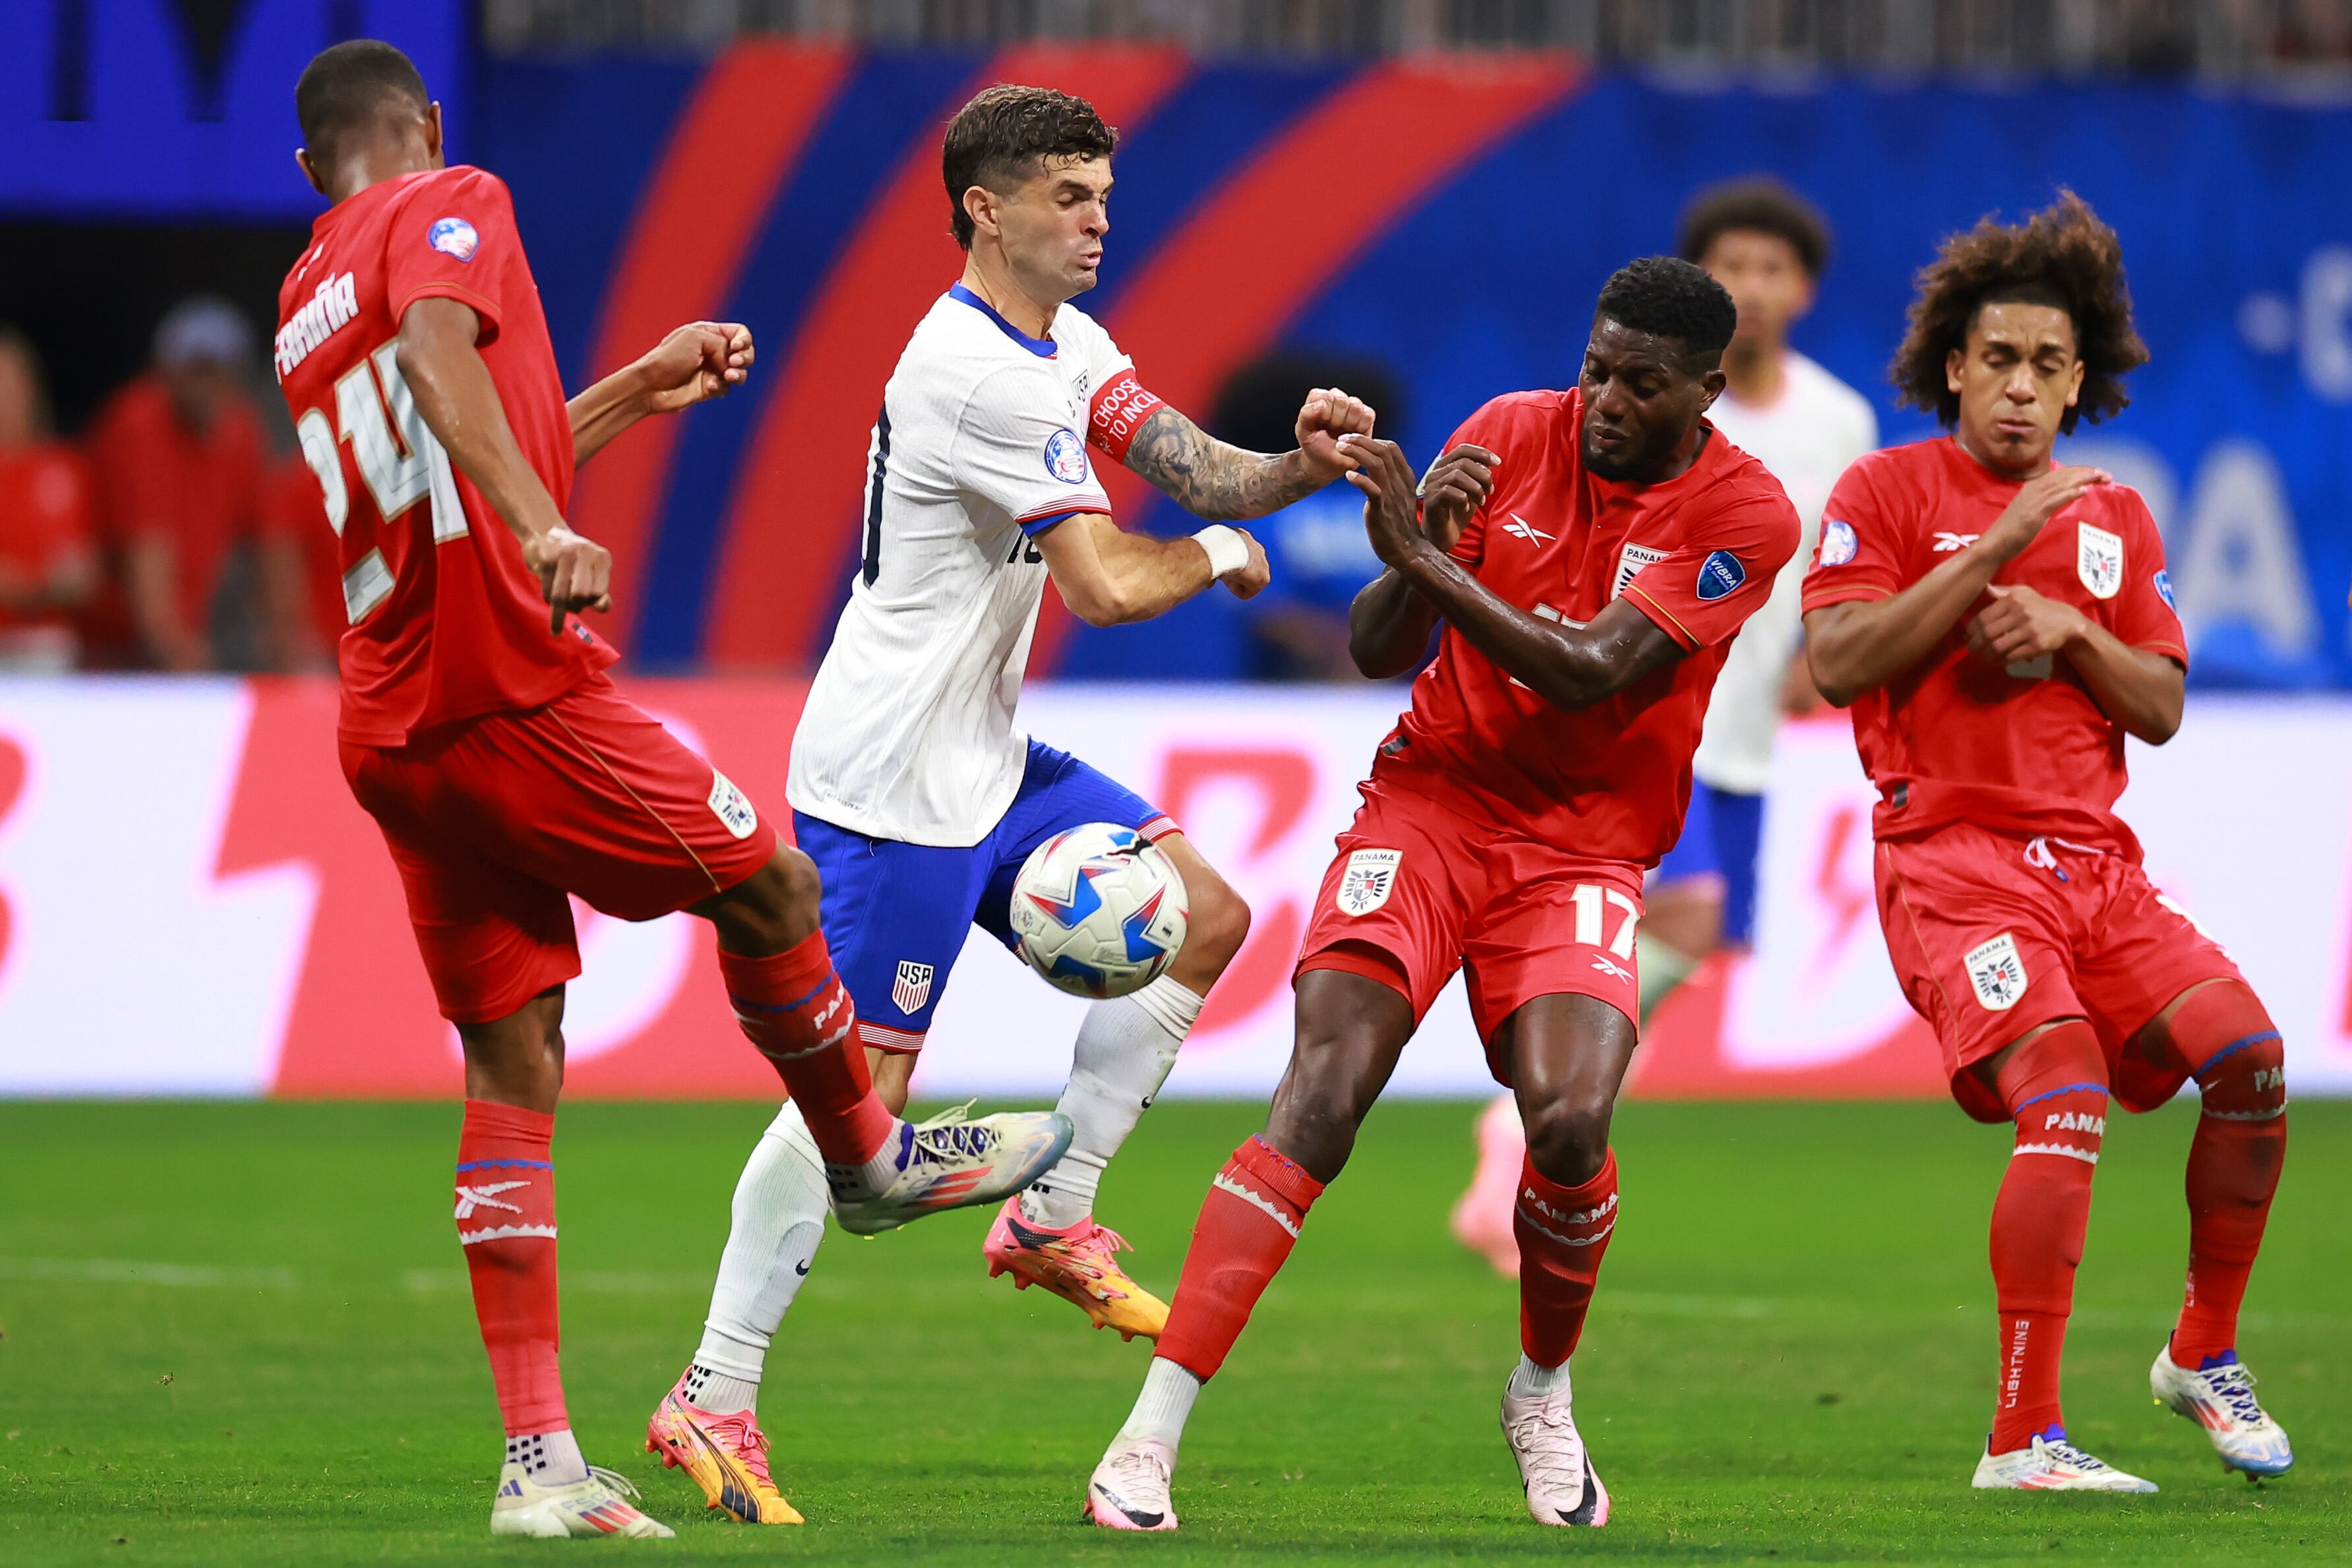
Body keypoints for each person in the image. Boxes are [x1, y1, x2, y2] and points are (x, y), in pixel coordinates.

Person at [275, 41, 1070, 1540]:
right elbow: (451, 365)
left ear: (310, 169)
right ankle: (871, 1151)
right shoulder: (452, 198)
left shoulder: (302, 296)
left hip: (387, 719)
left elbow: (452, 454)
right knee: (765, 879)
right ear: (425, 132)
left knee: (515, 1066)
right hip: (506, 688)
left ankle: (539, 1465)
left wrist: (631, 393)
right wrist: (543, 535)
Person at [646, 84, 1378, 1526]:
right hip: (889, 787)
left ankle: (1048, 1213)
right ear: (984, 208)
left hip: (983, 745)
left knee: (1208, 919)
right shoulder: (970, 371)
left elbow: (1185, 458)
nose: (1098, 220)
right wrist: (1234, 549)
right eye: (1066, 197)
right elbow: (1106, 585)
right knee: (860, 1125)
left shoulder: (1063, 341)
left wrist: (1301, 463)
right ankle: (711, 1393)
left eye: (1102, 195)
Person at [1085, 258, 1799, 1532]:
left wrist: (1429, 551)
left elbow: (1590, 672)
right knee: (1322, 1091)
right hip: (1429, 806)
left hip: (1581, 850)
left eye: (1641, 383)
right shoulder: (1507, 434)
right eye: (1595, 368)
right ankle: (1145, 1440)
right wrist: (1415, 562)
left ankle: (1540, 1390)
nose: (1602, 402)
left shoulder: (1744, 512)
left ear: (1704, 391)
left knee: (1572, 1117)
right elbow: (1374, 647)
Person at [1801, 192, 2291, 1492]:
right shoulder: (1884, 489)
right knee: (2061, 1091)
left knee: (2248, 1060)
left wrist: (2074, 633)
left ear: (2080, 380)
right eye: (1998, 359)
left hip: (2095, 872)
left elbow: (2165, 706)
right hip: (1949, 863)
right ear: (1952, 365)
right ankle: (2021, 1437)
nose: (2019, 388)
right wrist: (1992, 554)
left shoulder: (2117, 518)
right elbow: (1837, 659)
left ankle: (2200, 1350)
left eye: (2046, 365)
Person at [1451, 177, 1879, 1277]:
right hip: (1648, 708)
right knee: (1674, 909)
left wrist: (1818, 656)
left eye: (1771, 268)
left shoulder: (1838, 421)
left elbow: (1839, 562)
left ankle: (1552, 1126)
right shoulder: (1650, 402)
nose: (1752, 283)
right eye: (1732, 264)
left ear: (1804, 289)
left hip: (1747, 724)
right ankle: (1529, 1128)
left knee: (1703, 929)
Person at [82, 298, 310, 670]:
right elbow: (147, 555)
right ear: (165, 371)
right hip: (109, 650)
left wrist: (284, 637)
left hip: (182, 629)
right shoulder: (140, 423)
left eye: (219, 371)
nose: (208, 385)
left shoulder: (239, 429)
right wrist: (176, 648)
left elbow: (273, 540)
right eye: (196, 371)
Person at [0, 328, 96, 671]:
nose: (6, 397)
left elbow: (83, 572)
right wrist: (43, 587)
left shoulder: (64, 468)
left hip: (48, 646)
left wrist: (24, 587)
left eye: (14, 385)